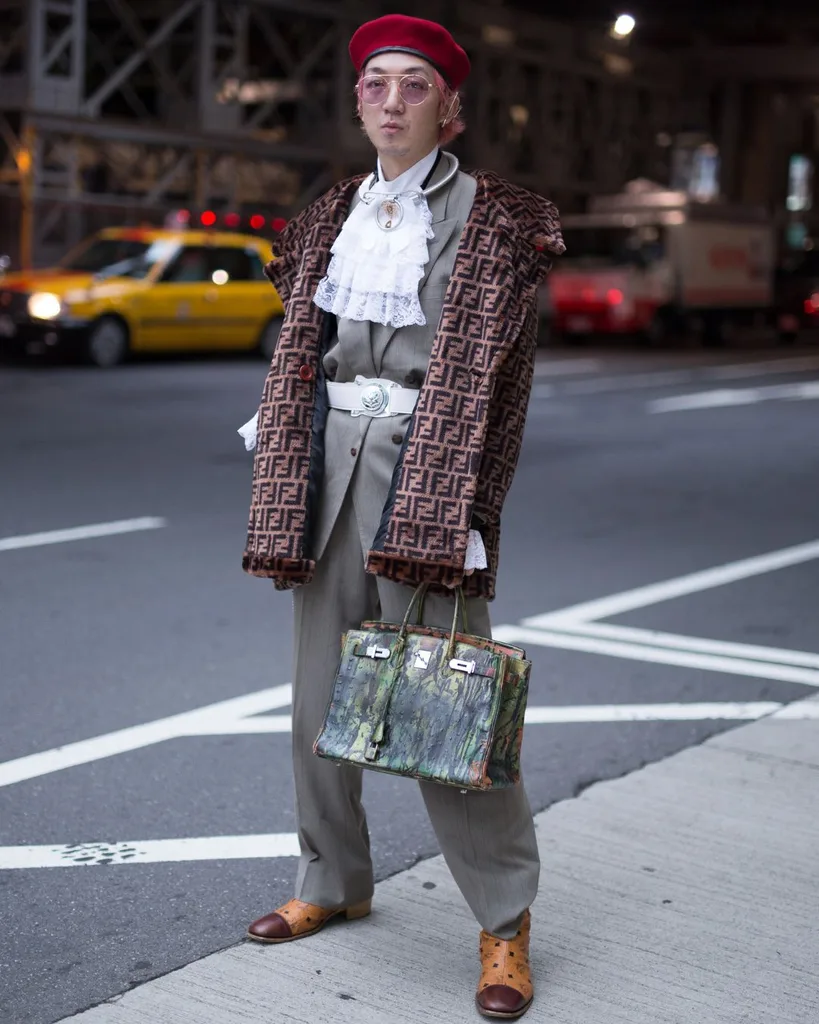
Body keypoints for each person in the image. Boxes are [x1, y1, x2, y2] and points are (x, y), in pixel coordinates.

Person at [240, 13, 564, 1020]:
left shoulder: (497, 218)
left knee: (444, 708)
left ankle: (504, 922)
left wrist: (474, 507)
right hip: (331, 462)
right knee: (314, 702)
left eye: (413, 86)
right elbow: (305, 349)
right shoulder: (331, 211)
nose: (389, 100)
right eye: (375, 83)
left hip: (430, 468)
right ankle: (331, 879)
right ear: (357, 101)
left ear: (451, 110)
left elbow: (501, 388)